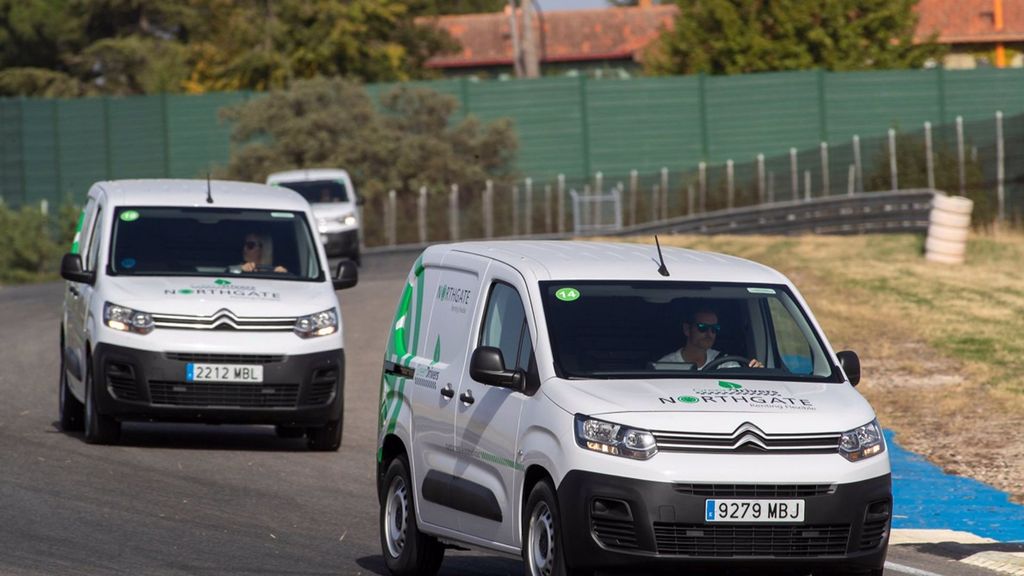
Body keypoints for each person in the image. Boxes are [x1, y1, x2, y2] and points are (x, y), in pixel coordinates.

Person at [659, 307, 763, 369]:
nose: (709, 333)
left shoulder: (725, 362)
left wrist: (756, 371)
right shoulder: (666, 365)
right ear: (687, 329)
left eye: (714, 329)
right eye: (703, 328)